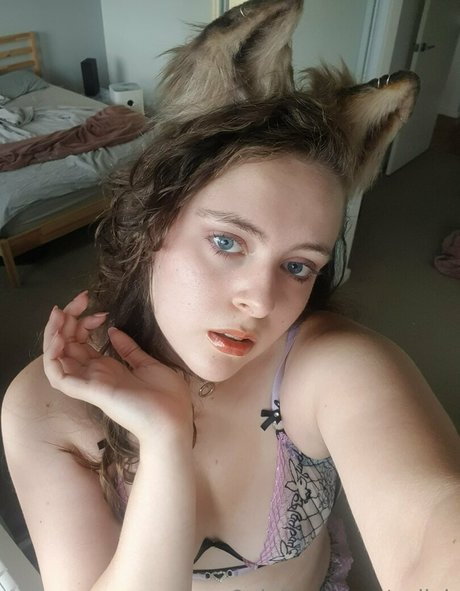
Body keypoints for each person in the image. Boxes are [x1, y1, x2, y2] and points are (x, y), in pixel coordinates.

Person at [2, 2, 459, 591]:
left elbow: (433, 529)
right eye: (227, 241)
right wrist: (165, 442)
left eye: (297, 265)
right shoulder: (48, 402)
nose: (262, 302)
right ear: (151, 223)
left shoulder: (329, 364)